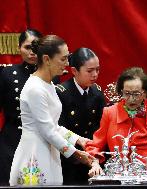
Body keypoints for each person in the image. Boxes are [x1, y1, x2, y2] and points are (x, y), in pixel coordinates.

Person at [9, 35, 94, 186]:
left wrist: (79, 140)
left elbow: (53, 125)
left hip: (49, 150)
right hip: (34, 153)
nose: (67, 64)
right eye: (63, 59)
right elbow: (48, 130)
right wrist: (76, 154)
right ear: (47, 59)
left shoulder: (47, 84)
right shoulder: (35, 88)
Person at [86, 67, 147, 182]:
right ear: (121, 92)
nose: (131, 99)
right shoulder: (110, 113)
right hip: (123, 177)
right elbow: (94, 146)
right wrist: (95, 164)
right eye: (127, 93)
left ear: (145, 93)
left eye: (136, 94)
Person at [56, 47, 105, 184]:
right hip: (69, 157)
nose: (95, 74)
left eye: (97, 69)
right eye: (89, 71)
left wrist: (95, 155)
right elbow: (58, 129)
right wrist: (77, 153)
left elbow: (100, 128)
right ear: (74, 71)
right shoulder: (61, 93)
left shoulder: (97, 92)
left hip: (92, 155)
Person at [0, 29, 43, 185]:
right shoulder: (7, 73)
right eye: (27, 47)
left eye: (36, 47)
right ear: (19, 48)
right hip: (12, 140)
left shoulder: (51, 75)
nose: (32, 52)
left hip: (41, 140)